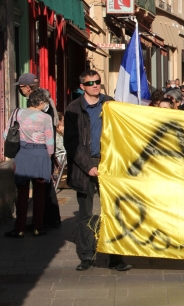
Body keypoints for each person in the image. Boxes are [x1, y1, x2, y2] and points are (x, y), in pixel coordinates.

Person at [64, 69, 132, 271]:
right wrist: (89, 166)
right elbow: (71, 142)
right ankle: (87, 256)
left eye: (98, 82)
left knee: (113, 212)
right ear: (82, 87)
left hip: (109, 164)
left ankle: (115, 258)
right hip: (85, 167)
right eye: (91, 82)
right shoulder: (73, 109)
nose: (95, 85)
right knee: (85, 214)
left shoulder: (110, 103)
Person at [4, 89, 54, 238]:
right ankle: (37, 227)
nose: (46, 105)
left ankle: (19, 228)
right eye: (45, 102)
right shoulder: (45, 118)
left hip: (22, 154)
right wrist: (50, 156)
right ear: (40, 102)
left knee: (22, 194)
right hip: (40, 155)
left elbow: (6, 134)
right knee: (39, 193)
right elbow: (49, 141)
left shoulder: (17, 113)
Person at [15, 73, 61, 228]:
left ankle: (44, 220)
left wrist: (51, 153)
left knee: (38, 190)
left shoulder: (40, 103)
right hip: (42, 151)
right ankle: (40, 224)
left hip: (30, 152)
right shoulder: (42, 100)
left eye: (21, 87)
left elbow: (49, 128)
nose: (20, 90)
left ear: (28, 87)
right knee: (41, 189)